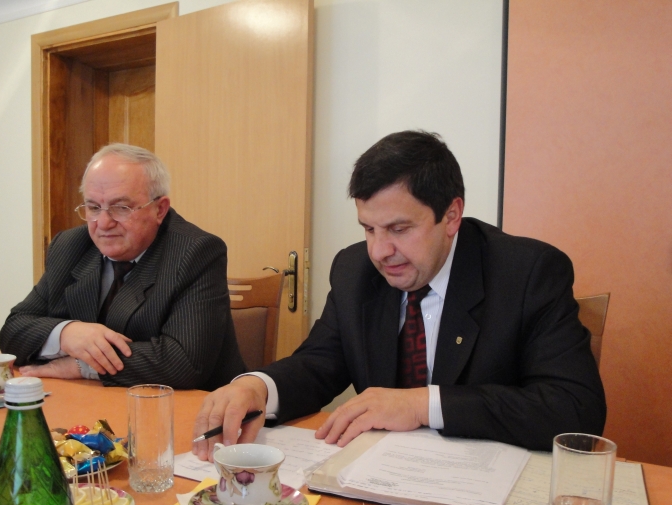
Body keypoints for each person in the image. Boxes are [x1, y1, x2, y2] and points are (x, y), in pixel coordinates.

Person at [193, 130, 605, 457]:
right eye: (369, 229)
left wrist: (420, 405)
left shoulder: (527, 272)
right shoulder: (355, 270)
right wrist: (258, 387)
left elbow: (575, 408)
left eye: (399, 229)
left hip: (484, 493)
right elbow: (319, 363)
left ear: (451, 216)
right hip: (382, 483)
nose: (379, 251)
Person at [0, 144, 245, 390]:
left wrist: (83, 365)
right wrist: (66, 334)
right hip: (93, 400)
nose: (103, 223)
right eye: (93, 207)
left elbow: (184, 362)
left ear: (159, 209)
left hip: (189, 404)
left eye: (121, 208)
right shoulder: (70, 246)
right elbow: (12, 332)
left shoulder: (195, 252)